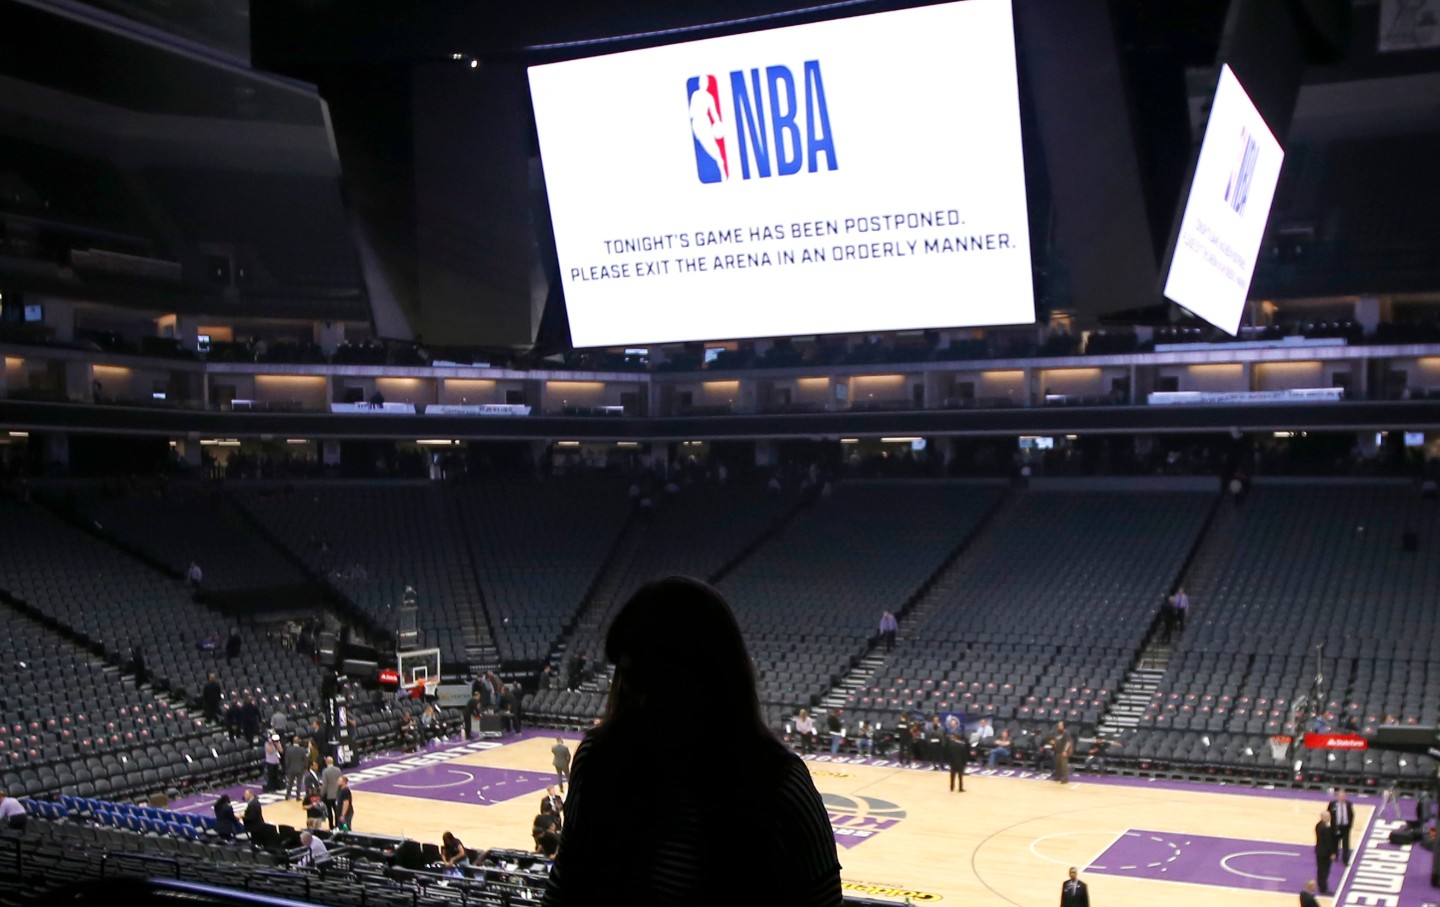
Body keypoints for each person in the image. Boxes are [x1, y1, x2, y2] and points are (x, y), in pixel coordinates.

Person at [542, 576, 842, 906]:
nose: (639, 701)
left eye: (655, 683)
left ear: (708, 681)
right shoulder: (599, 760)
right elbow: (564, 889)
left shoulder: (781, 789)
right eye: (628, 679)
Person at [1328, 789, 1355, 866]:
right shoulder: (1332, 804)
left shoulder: (1348, 804)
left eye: (1344, 796)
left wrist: (1350, 825)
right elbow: (1329, 813)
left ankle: (1345, 859)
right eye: (1341, 796)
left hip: (1345, 827)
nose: (1343, 797)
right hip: (1336, 826)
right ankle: (1335, 855)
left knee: (1346, 844)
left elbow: (1352, 815)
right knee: (1335, 842)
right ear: (1337, 796)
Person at [1314, 810, 1337, 894]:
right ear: (1323, 817)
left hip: (1319, 851)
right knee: (1324, 871)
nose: (1329, 818)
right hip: (1324, 853)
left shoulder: (1318, 825)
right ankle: (1323, 888)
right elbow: (1328, 842)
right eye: (1328, 817)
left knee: (1321, 870)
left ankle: (1322, 886)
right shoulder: (1325, 828)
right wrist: (1332, 853)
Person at [320, 756, 343, 829]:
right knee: (337, 811)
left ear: (326, 762)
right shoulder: (338, 770)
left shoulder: (325, 771)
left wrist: (321, 794)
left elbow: (325, 785)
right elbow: (341, 782)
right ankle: (337, 825)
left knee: (329, 812)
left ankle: (331, 826)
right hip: (337, 794)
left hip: (329, 795)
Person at [284, 736, 309, 800]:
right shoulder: (302, 750)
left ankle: (287, 795)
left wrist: (288, 767)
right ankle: (298, 796)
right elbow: (305, 759)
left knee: (290, 783)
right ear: (298, 741)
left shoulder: (288, 749)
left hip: (291, 769)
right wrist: (305, 767)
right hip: (300, 769)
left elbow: (286, 760)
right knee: (299, 783)